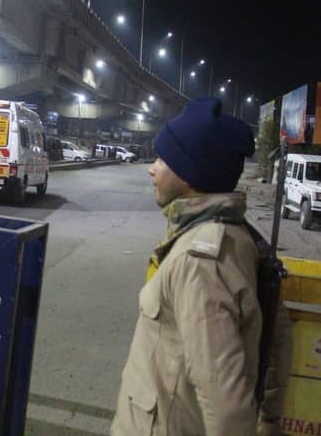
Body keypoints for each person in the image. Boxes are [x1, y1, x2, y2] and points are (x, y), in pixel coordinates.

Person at [111, 97, 291, 436]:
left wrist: (266, 420)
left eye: (162, 159)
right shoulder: (240, 236)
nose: (152, 168)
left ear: (189, 174)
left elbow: (226, 402)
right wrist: (270, 417)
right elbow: (279, 335)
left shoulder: (199, 262)